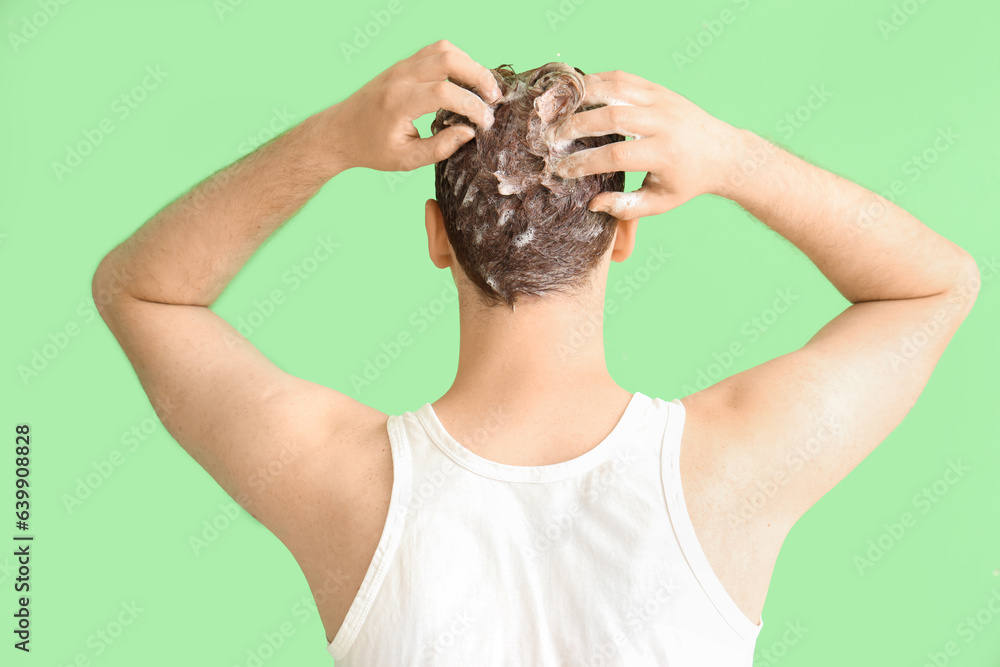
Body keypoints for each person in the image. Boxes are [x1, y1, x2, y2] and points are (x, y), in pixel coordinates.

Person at [91, 39, 980, 665]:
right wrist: (733, 157)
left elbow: (139, 290)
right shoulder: (730, 468)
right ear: (621, 238)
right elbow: (937, 284)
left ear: (437, 237)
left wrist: (331, 139)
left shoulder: (342, 484)